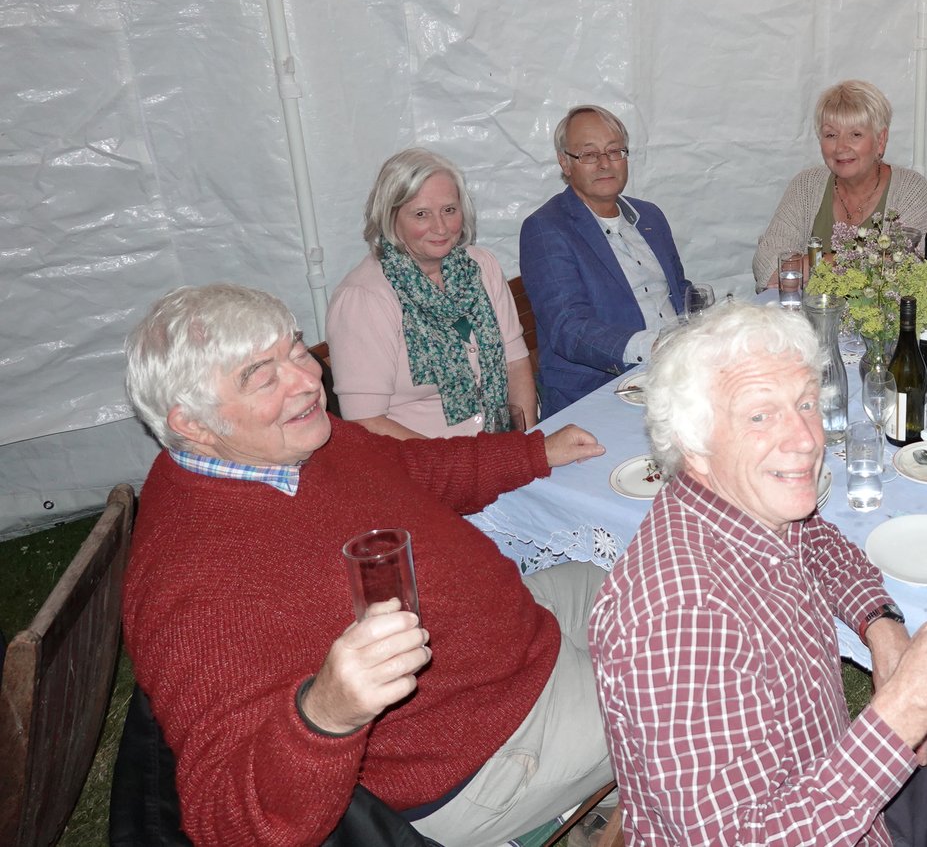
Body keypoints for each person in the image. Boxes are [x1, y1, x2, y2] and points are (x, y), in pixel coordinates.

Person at [121, 283, 613, 847]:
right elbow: (226, 825)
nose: (308, 380)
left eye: (297, 350)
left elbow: (410, 468)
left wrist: (532, 453)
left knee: (647, 589)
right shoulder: (191, 583)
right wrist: (325, 715)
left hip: (517, 638)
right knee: (689, 686)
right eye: (263, 377)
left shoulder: (295, 445)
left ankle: (623, 789)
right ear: (193, 425)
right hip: (485, 752)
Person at [588, 302, 927, 846]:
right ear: (692, 442)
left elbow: (818, 542)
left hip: (823, 784)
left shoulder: (746, 507)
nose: (805, 438)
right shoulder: (679, 620)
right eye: (759, 415)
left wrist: (882, 626)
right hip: (799, 828)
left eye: (805, 403)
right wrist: (905, 711)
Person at [326, 148, 536, 438]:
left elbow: (515, 363)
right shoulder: (364, 299)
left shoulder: (480, 267)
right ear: (390, 218)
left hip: (497, 447)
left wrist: (525, 442)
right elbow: (365, 421)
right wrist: (461, 461)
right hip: (420, 460)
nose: (440, 227)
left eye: (449, 210)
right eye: (421, 214)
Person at [520, 105, 691, 416]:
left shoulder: (649, 216)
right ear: (565, 162)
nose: (604, 163)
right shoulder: (546, 229)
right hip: (600, 395)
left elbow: (679, 291)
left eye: (614, 151)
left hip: (679, 376)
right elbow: (569, 328)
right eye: (589, 154)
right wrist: (655, 346)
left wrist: (710, 323)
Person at [753, 79, 927, 286]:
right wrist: (856, 261)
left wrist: (809, 265)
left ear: (881, 140)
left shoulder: (910, 188)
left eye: (855, 134)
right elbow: (767, 267)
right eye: (831, 135)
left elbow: (902, 273)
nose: (840, 147)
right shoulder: (806, 185)